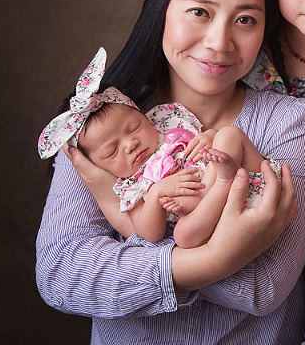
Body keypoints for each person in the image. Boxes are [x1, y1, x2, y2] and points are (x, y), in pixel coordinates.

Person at [36, 0, 305, 345]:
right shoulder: (103, 124)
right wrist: (216, 255)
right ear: (162, 9)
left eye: (245, 19)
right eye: (199, 12)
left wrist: (134, 251)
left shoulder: (292, 123)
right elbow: (61, 273)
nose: (219, 42)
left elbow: (264, 287)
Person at [37, 47, 275, 249]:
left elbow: (206, 138)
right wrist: (157, 194)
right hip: (211, 219)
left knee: (229, 135)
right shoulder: (130, 186)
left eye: (134, 127)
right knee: (182, 236)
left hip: (248, 185)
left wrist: (208, 137)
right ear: (99, 165)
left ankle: (217, 186)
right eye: (112, 151)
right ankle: (220, 188)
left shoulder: (166, 123)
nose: (131, 144)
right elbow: (148, 234)